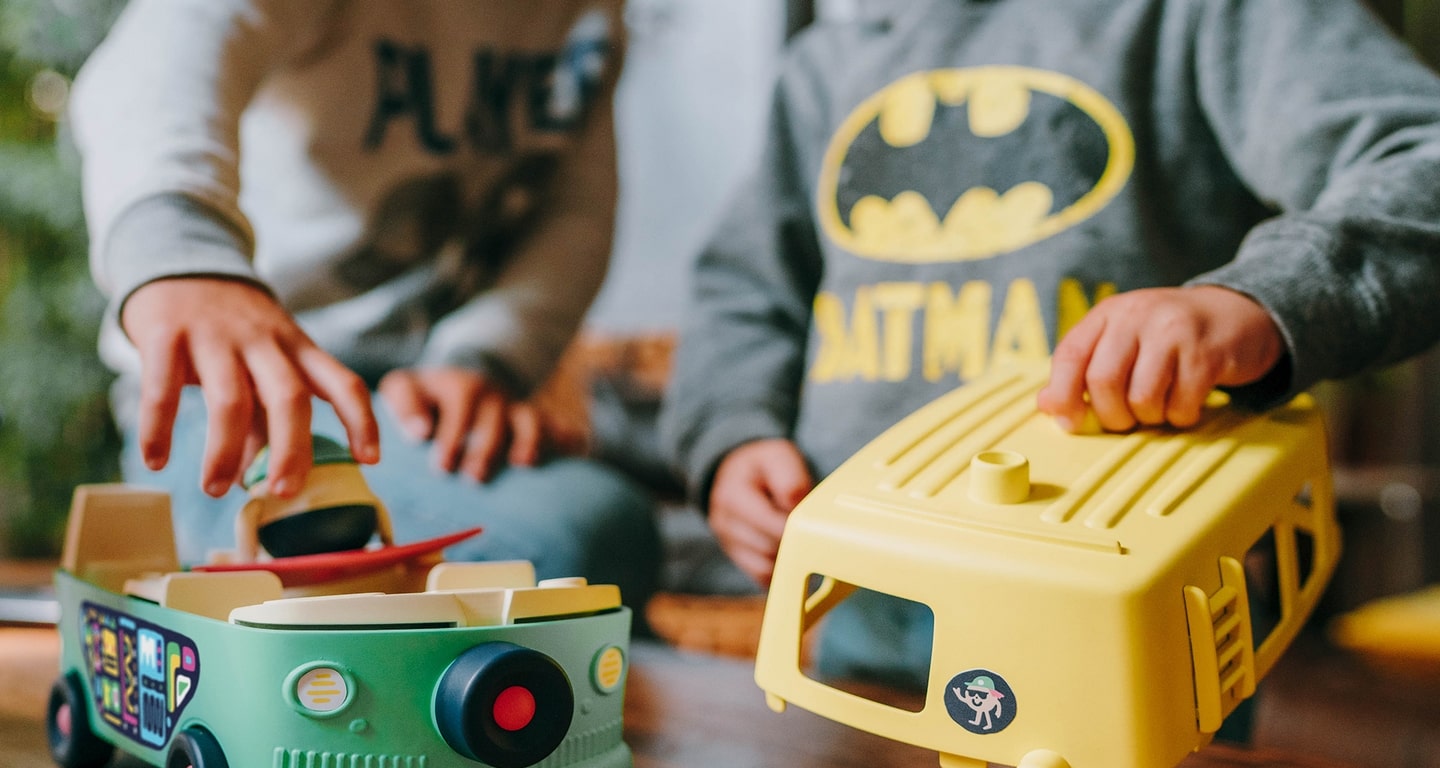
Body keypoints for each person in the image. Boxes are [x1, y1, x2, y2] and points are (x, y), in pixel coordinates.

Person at [660, 0, 1440, 687]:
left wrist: (1255, 299)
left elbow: (1420, 158)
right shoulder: (828, 64)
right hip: (874, 592)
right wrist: (734, 435)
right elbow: (743, 290)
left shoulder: (1216, 14)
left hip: (1138, 599)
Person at [69, 0, 659, 608]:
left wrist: (483, 358)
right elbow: (165, 51)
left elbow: (573, 212)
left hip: (419, 398)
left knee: (604, 530)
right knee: (574, 540)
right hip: (240, 404)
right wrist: (183, 249)